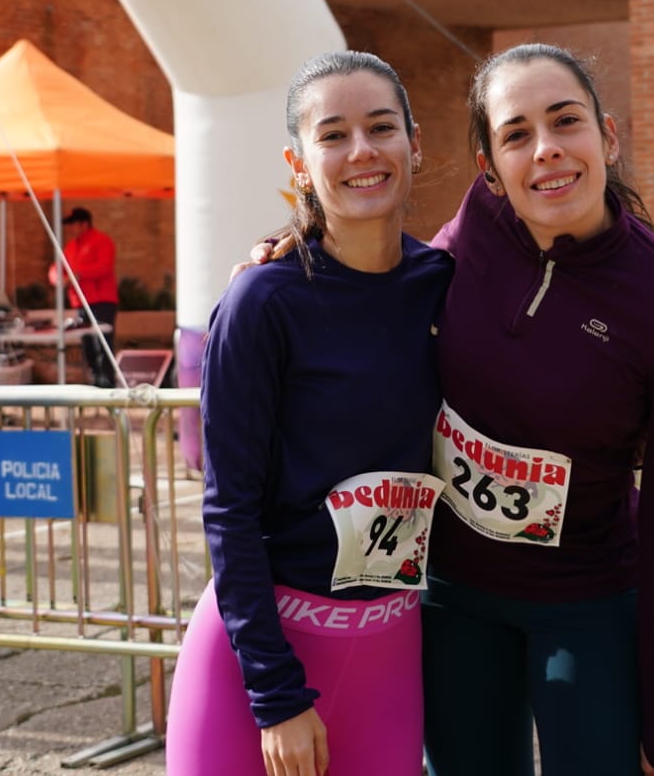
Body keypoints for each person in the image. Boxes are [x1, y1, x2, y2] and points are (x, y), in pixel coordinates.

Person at [422, 44, 654, 776]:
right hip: (453, 593)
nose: (547, 149)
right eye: (517, 133)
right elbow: (388, 288)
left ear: (608, 136)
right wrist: (297, 253)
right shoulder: (475, 227)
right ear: (490, 166)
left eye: (566, 121)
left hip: (586, 598)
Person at [165, 50, 451, 776]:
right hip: (260, 662)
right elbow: (228, 506)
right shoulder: (263, 301)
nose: (362, 150)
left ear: (415, 144)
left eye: (382, 127)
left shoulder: (445, 284)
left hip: (391, 651)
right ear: (299, 161)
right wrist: (277, 694)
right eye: (333, 134)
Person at [57, 207, 118, 388]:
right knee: (88, 346)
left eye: (73, 224)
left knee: (102, 344)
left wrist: (78, 274)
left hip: (102, 301)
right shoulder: (71, 247)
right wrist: (58, 279)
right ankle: (94, 383)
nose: (70, 229)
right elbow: (57, 268)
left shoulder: (101, 241)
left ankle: (107, 385)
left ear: (84, 224)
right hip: (81, 302)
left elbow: (104, 266)